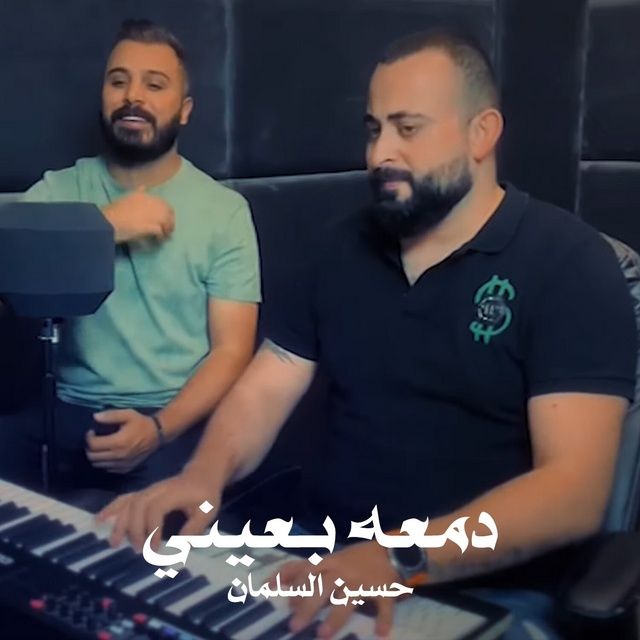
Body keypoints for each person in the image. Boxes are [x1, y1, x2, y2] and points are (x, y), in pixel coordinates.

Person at [98, 30, 637, 638]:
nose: (381, 152)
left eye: (408, 129)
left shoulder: (569, 264)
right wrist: (204, 477)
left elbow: (573, 491)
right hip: (320, 556)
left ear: (481, 133)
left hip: (488, 592)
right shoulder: (339, 246)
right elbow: (266, 386)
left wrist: (395, 560)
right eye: (374, 129)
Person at [0, 20, 260, 494]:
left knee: (133, 526)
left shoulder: (225, 212)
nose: (132, 96)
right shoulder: (60, 190)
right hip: (63, 407)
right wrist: (104, 228)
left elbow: (232, 350)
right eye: (118, 81)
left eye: (154, 85)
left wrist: (159, 430)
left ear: (184, 111)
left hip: (170, 415)